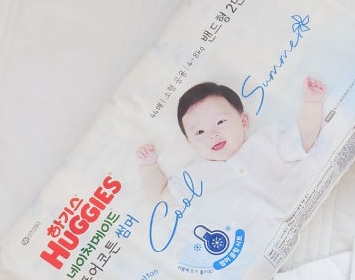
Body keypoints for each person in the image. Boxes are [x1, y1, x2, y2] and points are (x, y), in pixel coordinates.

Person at [136, 75, 326, 205]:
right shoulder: (195, 176)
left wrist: (312, 103)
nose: (212, 135)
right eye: (199, 132)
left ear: (243, 121)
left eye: (220, 122)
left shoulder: (267, 140)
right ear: (190, 142)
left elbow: (303, 139)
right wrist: (149, 166)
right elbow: (161, 199)